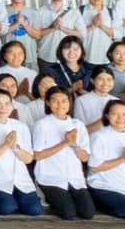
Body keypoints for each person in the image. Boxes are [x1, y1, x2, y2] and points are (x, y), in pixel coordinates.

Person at [29, 88, 95, 220]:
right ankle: (48, 197)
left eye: (64, 101)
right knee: (68, 213)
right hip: (50, 176)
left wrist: (74, 144)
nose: (60, 105)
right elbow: (37, 155)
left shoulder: (78, 125)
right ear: (47, 103)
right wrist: (65, 143)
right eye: (55, 101)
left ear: (70, 102)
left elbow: (85, 157)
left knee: (88, 213)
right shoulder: (42, 125)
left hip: (74, 177)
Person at [0, 91, 43, 215]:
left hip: (20, 180)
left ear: (12, 106)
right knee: (7, 208)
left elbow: (28, 159)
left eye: (7, 103)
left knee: (35, 210)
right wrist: (5, 145)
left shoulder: (21, 127)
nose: (3, 108)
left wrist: (15, 147)